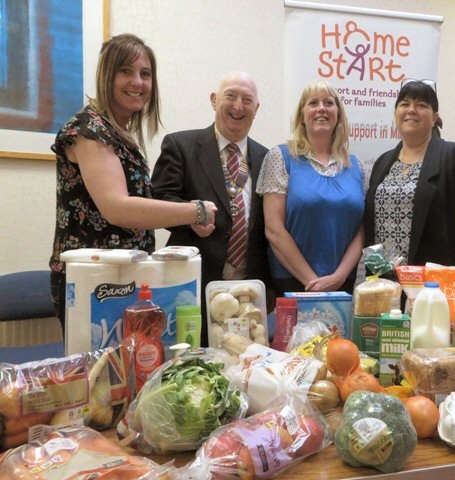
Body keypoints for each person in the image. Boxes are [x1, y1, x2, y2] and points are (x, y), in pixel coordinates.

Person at [49, 34, 217, 334]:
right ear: (106, 76)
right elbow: (118, 208)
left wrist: (189, 219)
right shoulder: (90, 130)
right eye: (125, 71)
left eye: (146, 74)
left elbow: (140, 207)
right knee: (103, 377)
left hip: (123, 278)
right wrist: (195, 211)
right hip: (94, 283)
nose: (138, 82)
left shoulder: (120, 136)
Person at [151, 71, 270, 345]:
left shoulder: (267, 158)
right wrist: (190, 215)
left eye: (247, 100)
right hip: (193, 289)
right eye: (230, 96)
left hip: (247, 295)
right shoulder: (181, 145)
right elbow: (158, 200)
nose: (238, 106)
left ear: (256, 109)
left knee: (243, 366)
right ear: (214, 100)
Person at [364, 79, 455, 268]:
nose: (411, 110)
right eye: (404, 104)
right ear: (396, 113)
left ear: (434, 118)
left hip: (433, 286)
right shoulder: (382, 162)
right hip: (385, 282)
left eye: (421, 105)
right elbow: (372, 228)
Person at [256, 80, 364, 297]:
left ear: (339, 115)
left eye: (329, 103)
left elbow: (361, 229)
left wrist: (339, 276)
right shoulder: (281, 157)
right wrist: (314, 283)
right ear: (302, 116)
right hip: (294, 283)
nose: (321, 108)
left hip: (344, 284)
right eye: (313, 103)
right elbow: (274, 230)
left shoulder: (355, 165)